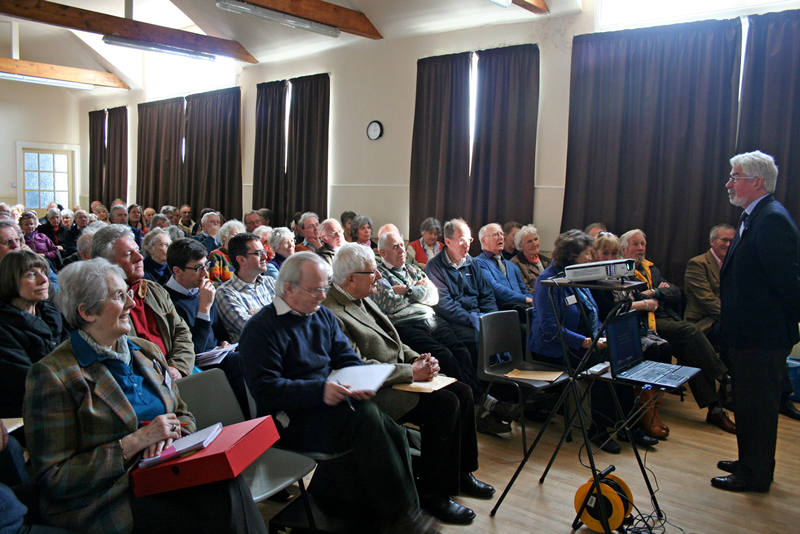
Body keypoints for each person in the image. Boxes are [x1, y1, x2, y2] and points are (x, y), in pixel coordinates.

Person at [23, 258, 266, 534]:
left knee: (225, 482)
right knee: (214, 503)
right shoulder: (53, 374)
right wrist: (134, 443)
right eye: (118, 296)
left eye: (127, 293)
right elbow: (54, 478)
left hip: (166, 470)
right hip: (109, 498)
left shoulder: (144, 350)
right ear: (87, 312)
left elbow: (183, 413)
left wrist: (170, 433)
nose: (131, 303)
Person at [238, 252, 434, 532]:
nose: (322, 295)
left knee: (392, 431)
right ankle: (402, 516)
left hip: (328, 405)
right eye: (315, 289)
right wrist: (320, 390)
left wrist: (360, 380)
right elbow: (267, 390)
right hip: (289, 419)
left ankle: (398, 512)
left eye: (325, 287)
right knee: (369, 419)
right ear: (289, 289)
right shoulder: (261, 329)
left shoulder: (321, 317)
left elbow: (346, 358)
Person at [323, 243, 494, 524]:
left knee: (462, 392)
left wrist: (421, 359)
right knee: (444, 405)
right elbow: (355, 368)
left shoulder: (361, 295)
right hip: (376, 390)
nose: (378, 277)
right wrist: (409, 372)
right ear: (350, 278)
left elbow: (395, 341)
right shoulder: (333, 311)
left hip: (399, 375)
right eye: (372, 272)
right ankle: (432, 493)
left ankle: (462, 473)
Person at [713, 151, 800, 493]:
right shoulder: (755, 216)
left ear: (756, 182)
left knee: (759, 407)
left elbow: (788, 283)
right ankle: (748, 460)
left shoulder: (772, 219)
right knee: (748, 403)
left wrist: (782, 328)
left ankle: (756, 474)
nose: (728, 183)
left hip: (762, 336)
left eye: (735, 177)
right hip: (749, 333)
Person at [528, 230, 656, 453]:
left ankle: (629, 425)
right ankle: (599, 430)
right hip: (554, 348)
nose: (590, 258)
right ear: (572, 255)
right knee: (601, 365)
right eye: (586, 254)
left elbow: (592, 315)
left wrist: (600, 336)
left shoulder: (578, 275)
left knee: (623, 358)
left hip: (585, 342)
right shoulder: (547, 280)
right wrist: (585, 342)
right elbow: (549, 328)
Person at [620, 229, 735, 434]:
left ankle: (715, 408)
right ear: (623, 249)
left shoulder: (651, 269)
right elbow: (630, 300)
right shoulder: (622, 271)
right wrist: (646, 298)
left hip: (663, 317)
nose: (641, 248)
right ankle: (724, 377)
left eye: (643, 244)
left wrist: (654, 291)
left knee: (691, 352)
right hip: (643, 322)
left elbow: (676, 292)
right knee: (689, 331)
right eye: (635, 244)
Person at [590, 232, 672, 440]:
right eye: (605, 252)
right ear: (595, 253)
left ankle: (648, 411)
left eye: (614, 253)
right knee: (641, 353)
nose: (610, 257)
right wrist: (641, 304)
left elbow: (634, 296)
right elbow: (608, 309)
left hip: (629, 327)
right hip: (608, 331)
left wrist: (647, 299)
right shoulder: (593, 277)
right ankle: (634, 422)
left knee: (664, 347)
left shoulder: (624, 273)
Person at [91, 224, 195, 380]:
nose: (139, 258)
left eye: (138, 251)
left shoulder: (154, 290)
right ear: (107, 262)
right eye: (128, 254)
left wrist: (177, 367)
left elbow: (181, 331)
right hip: (139, 379)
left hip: (174, 371)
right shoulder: (102, 302)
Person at [165, 239, 249, 417]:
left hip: (216, 355)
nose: (204, 273)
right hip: (193, 363)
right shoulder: (168, 301)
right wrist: (204, 308)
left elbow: (218, 332)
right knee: (242, 363)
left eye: (206, 265)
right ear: (177, 270)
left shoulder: (202, 290)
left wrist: (223, 343)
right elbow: (193, 349)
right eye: (197, 268)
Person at [0, 250, 67, 418]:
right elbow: (29, 383)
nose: (44, 279)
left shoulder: (53, 312)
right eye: (31, 274)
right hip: (33, 413)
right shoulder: (4, 328)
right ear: (10, 280)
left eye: (43, 272)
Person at [216, 232, 277, 343]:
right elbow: (252, 329)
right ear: (241, 260)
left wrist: (259, 312)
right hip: (257, 352)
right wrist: (277, 310)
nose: (265, 256)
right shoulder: (226, 292)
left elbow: (295, 310)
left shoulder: (270, 282)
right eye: (259, 253)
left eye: (264, 251)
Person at [474, 223, 532, 308]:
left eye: (501, 234)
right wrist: (525, 299)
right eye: (495, 234)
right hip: (501, 310)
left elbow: (524, 290)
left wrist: (534, 301)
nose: (501, 237)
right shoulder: (478, 263)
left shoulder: (512, 266)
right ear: (484, 241)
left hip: (522, 308)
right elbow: (494, 287)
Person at [510, 224, 550, 296]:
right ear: (520, 246)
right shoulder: (515, 263)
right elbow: (526, 290)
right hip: (535, 300)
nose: (534, 244)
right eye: (529, 241)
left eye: (536, 239)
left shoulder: (547, 260)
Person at [208, 220, 245, 288]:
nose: (239, 239)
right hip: (224, 292)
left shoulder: (242, 256)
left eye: (241, 236)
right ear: (224, 237)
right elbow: (214, 280)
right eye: (235, 235)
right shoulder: (216, 254)